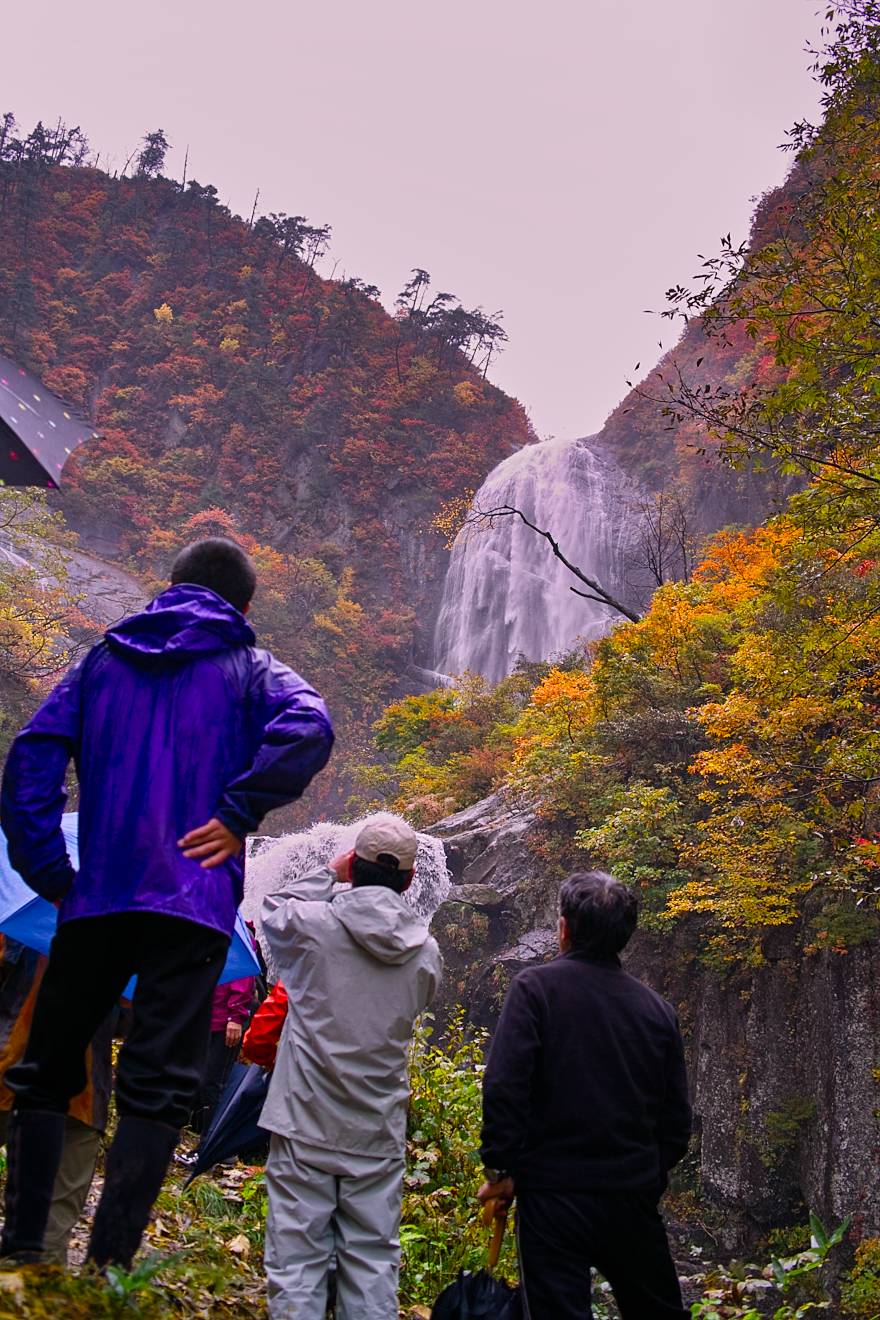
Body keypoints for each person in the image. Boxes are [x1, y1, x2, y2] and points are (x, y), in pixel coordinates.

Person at [0, 536, 334, 1269]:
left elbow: (30, 757)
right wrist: (240, 809)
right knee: (156, 1089)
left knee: (46, 1070)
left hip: (98, 896)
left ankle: (24, 1249)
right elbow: (310, 721)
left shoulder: (98, 663)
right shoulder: (251, 670)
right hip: (193, 903)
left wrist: (52, 869)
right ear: (243, 606)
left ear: (169, 587)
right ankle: (109, 1265)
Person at [478, 870, 692, 1320]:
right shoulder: (657, 1011)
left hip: (552, 1196)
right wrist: (647, 1173)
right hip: (631, 1196)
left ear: (565, 928)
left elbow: (504, 1086)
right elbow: (676, 1120)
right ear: (626, 935)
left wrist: (503, 1167)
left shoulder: (534, 989)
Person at [258, 814, 442, 1320]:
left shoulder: (314, 927)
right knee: (373, 1260)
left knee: (297, 1262)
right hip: (376, 1128)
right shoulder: (426, 953)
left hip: (304, 1117)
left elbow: (272, 908)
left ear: (352, 867)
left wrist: (328, 874)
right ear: (408, 881)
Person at [0, 935, 114, 1265]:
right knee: (57, 1214)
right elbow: (129, 1017)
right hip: (85, 1086)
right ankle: (37, 1281)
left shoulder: (26, 917)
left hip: (13, 1062)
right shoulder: (124, 933)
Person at [190, 972, 257, 1135]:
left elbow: (243, 976)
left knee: (213, 1082)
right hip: (202, 1017)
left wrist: (235, 1016)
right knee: (196, 1076)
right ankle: (198, 1127)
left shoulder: (238, 947)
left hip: (224, 1024)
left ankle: (210, 1142)